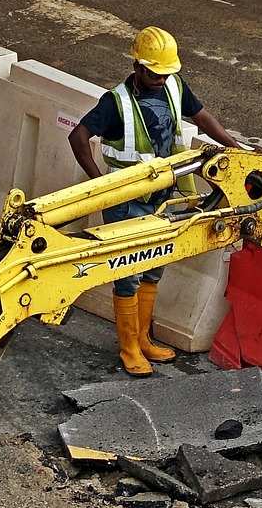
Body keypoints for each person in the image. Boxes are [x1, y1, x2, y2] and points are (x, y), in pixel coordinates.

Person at [67, 26, 239, 378]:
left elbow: (202, 117)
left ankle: (144, 339)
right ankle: (129, 347)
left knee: (153, 268)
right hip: (127, 202)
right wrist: (98, 182)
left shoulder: (174, 85)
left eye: (166, 73)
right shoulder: (115, 103)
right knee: (128, 274)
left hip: (164, 198)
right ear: (138, 67)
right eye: (155, 73)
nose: (162, 80)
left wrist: (235, 147)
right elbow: (78, 134)